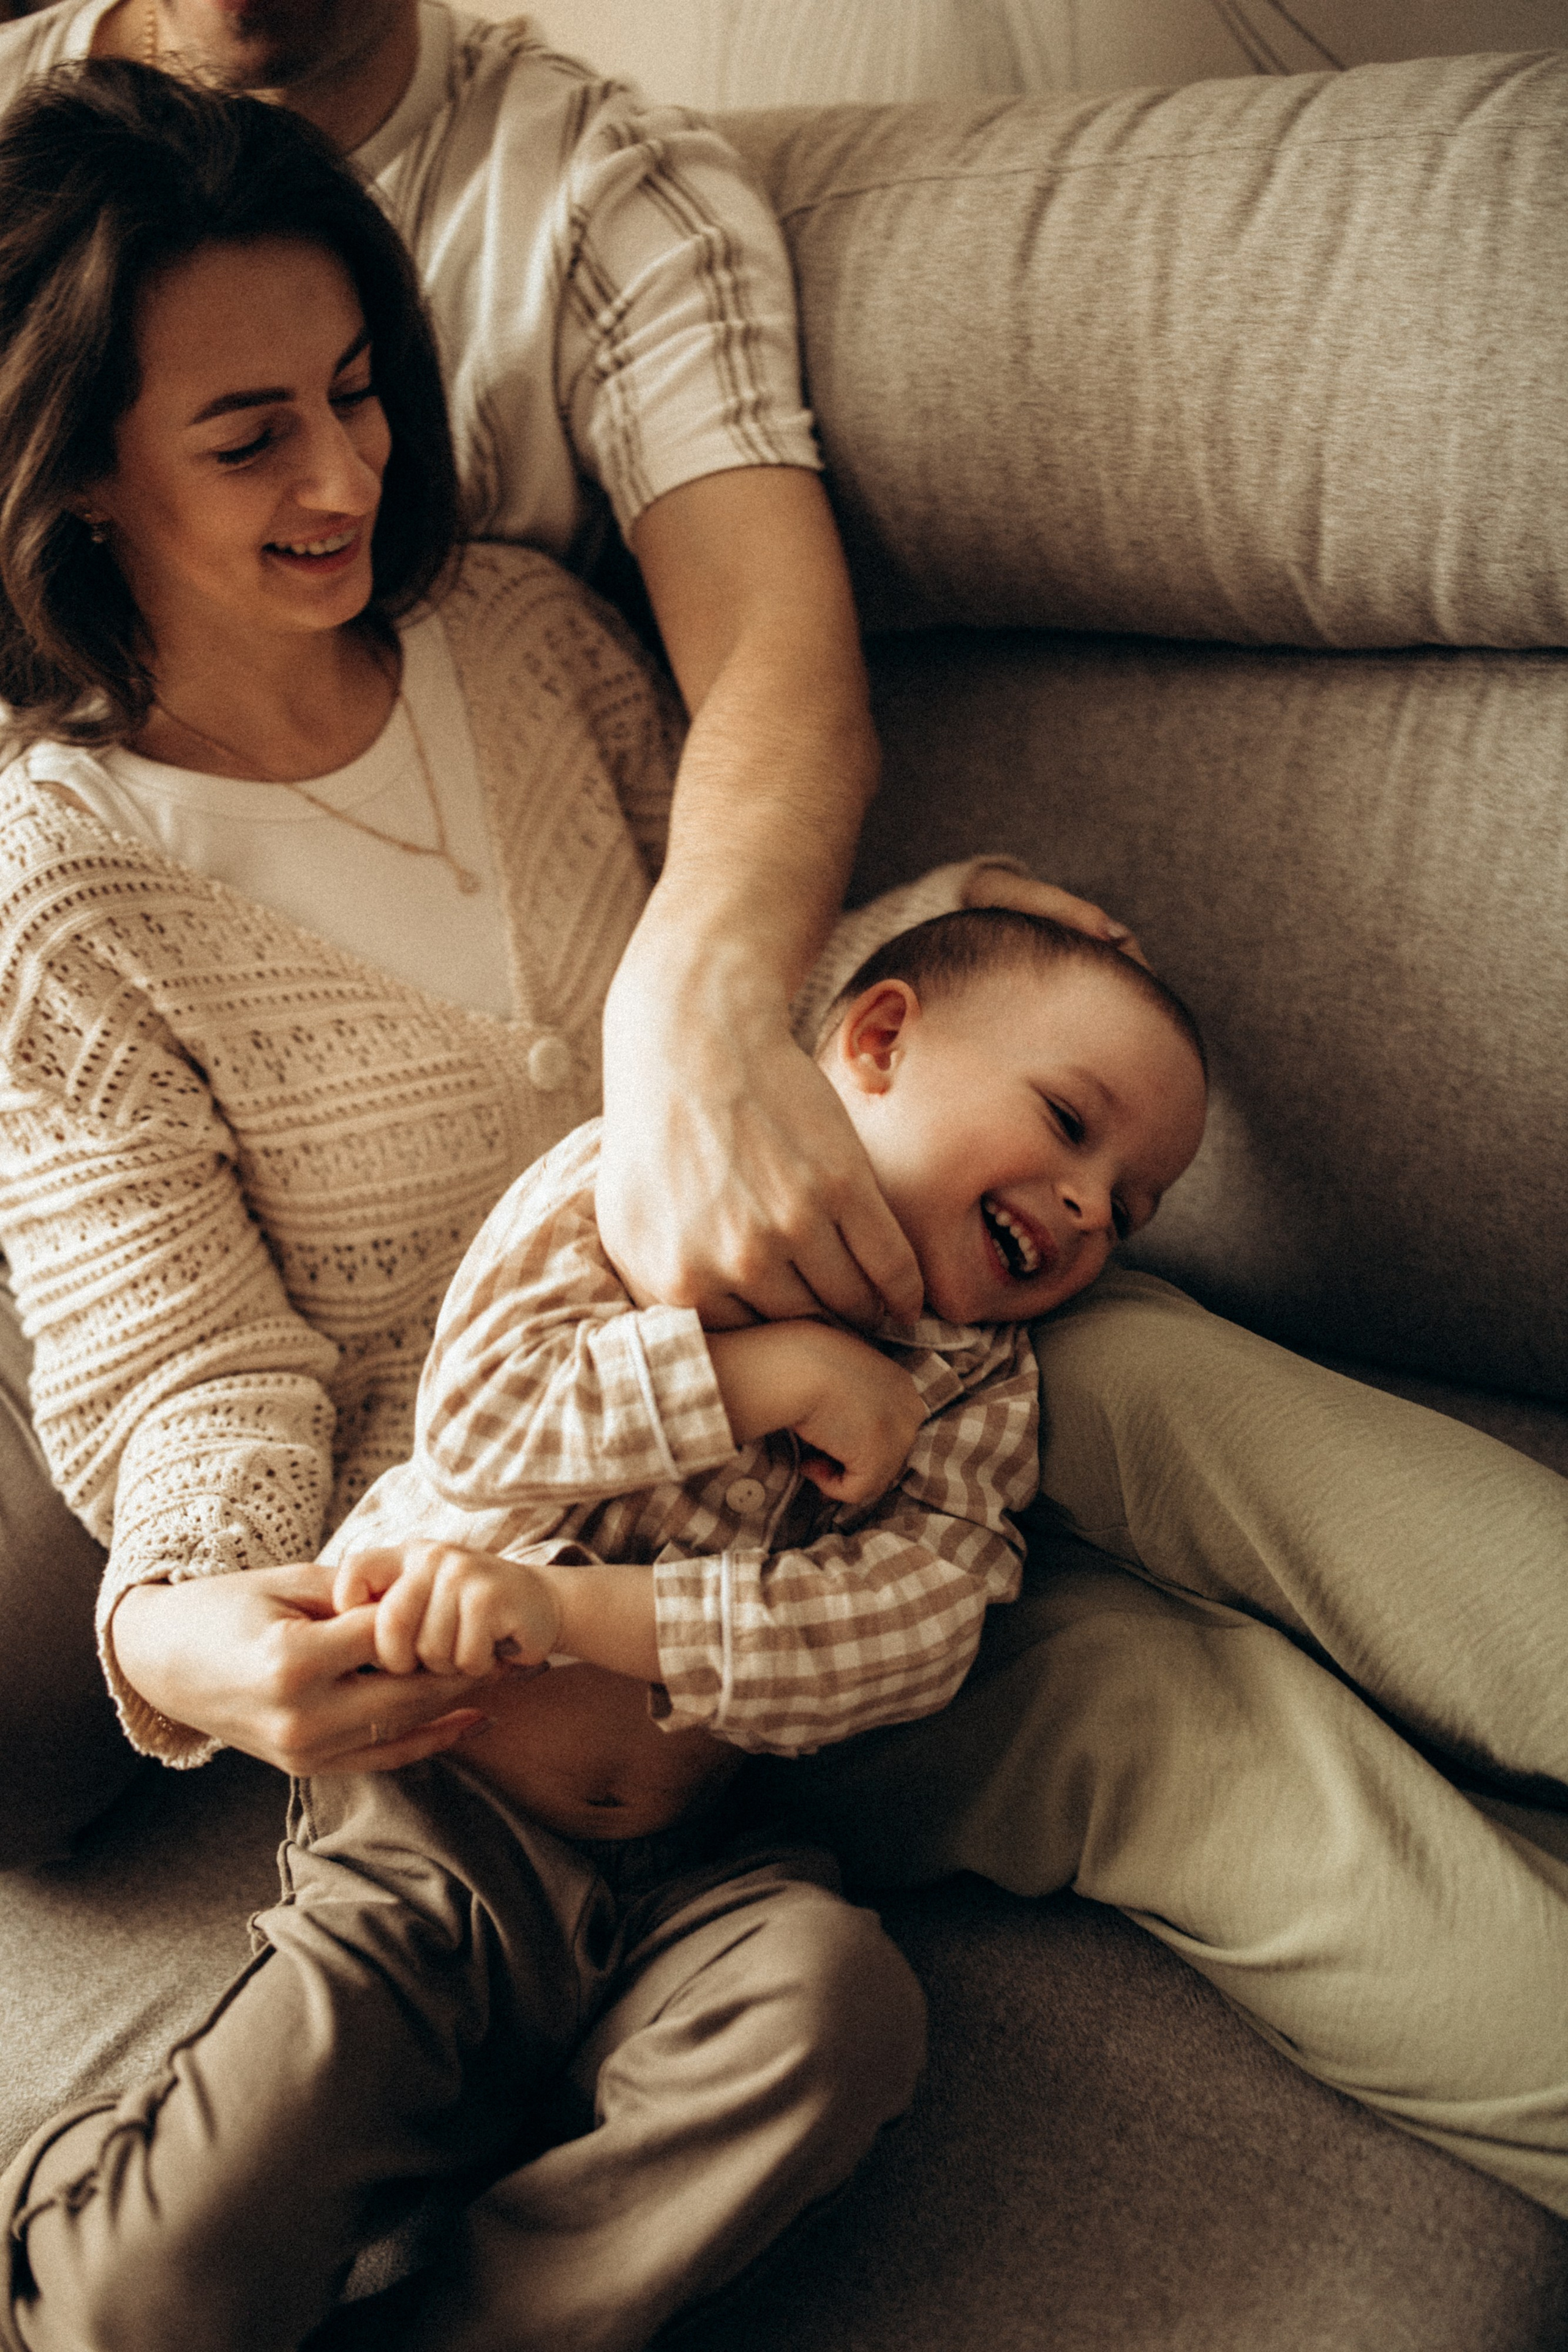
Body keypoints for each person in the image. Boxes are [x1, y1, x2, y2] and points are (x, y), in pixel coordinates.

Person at [0, 55, 1100, 1860]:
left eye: (360, 393)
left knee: (1181, 1395)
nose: (348, 471)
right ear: (84, 476)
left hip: (802, 1514)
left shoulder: (522, 639)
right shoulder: (63, 887)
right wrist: (184, 1609)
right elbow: (193, 1364)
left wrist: (960, 931)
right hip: (497, 1606)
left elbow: (774, 1004)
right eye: (250, 432)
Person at [0, 908, 1209, 2351]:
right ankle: (65, 2233)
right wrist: (759, 1376)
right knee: (145, 2311)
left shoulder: (979, 1388)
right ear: (876, 1042)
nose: (1084, 1206)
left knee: (838, 2006)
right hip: (431, 1832)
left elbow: (913, 1632)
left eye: (1127, 1207)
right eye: (1069, 1125)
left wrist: (579, 1612)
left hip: (693, 1872)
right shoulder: (623, 1185)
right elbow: (482, 1419)